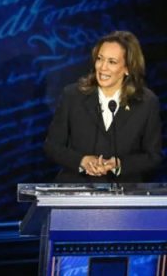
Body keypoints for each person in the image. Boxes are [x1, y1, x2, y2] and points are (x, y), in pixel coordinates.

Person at [43, 30, 162, 183]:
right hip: (76, 187)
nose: (103, 67)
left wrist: (119, 164)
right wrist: (82, 161)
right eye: (100, 59)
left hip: (123, 190)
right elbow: (52, 146)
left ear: (128, 68)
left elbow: (153, 156)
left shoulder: (146, 102)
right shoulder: (73, 95)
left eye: (112, 62)